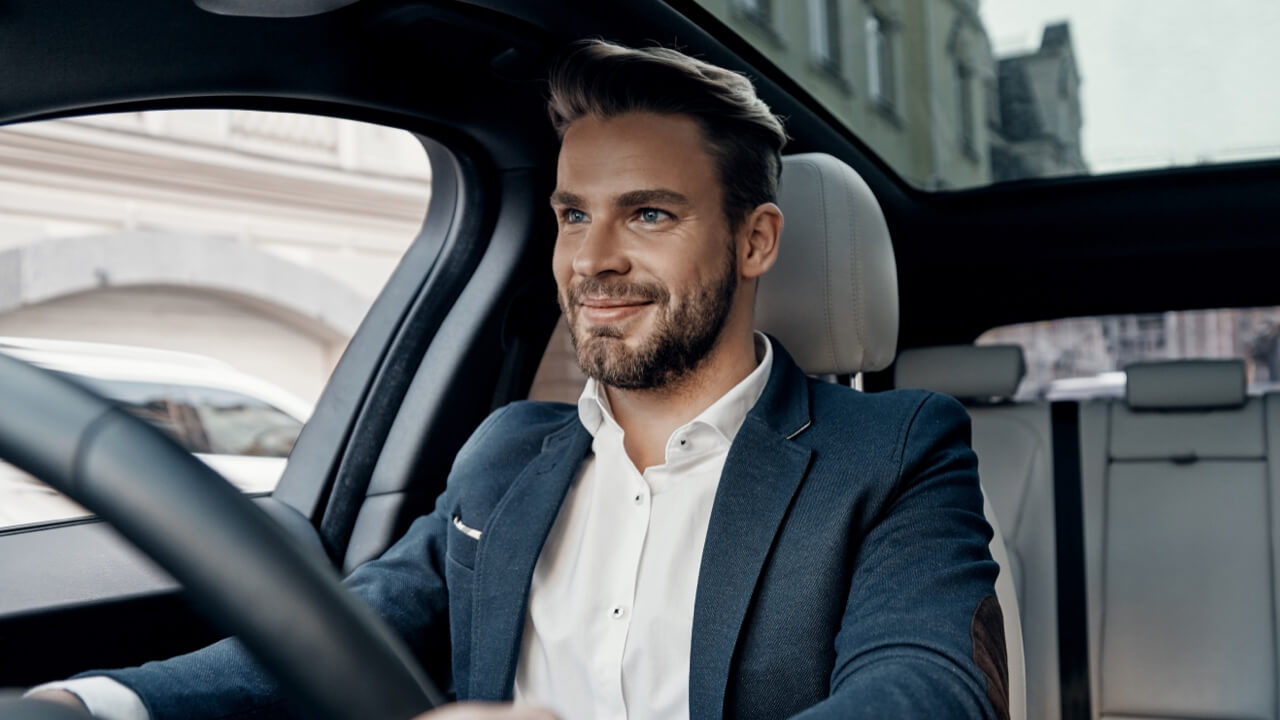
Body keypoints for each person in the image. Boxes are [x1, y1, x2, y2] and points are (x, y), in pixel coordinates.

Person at [29, 40, 1007, 720]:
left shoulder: (893, 448)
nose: (593, 260)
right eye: (573, 215)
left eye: (649, 215)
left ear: (755, 241)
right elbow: (335, 639)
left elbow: (924, 689)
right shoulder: (506, 455)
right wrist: (91, 705)